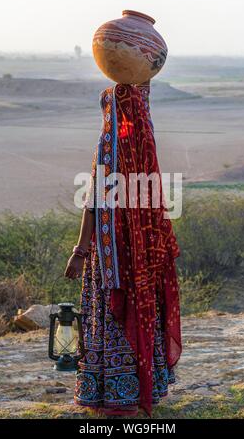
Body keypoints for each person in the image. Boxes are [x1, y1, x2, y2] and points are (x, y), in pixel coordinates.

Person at [64, 82, 181, 417]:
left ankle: (116, 394)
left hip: (110, 257)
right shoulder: (146, 145)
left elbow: (94, 201)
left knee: (110, 314)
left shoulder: (110, 146)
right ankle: (138, 387)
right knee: (139, 312)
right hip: (139, 260)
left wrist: (80, 250)